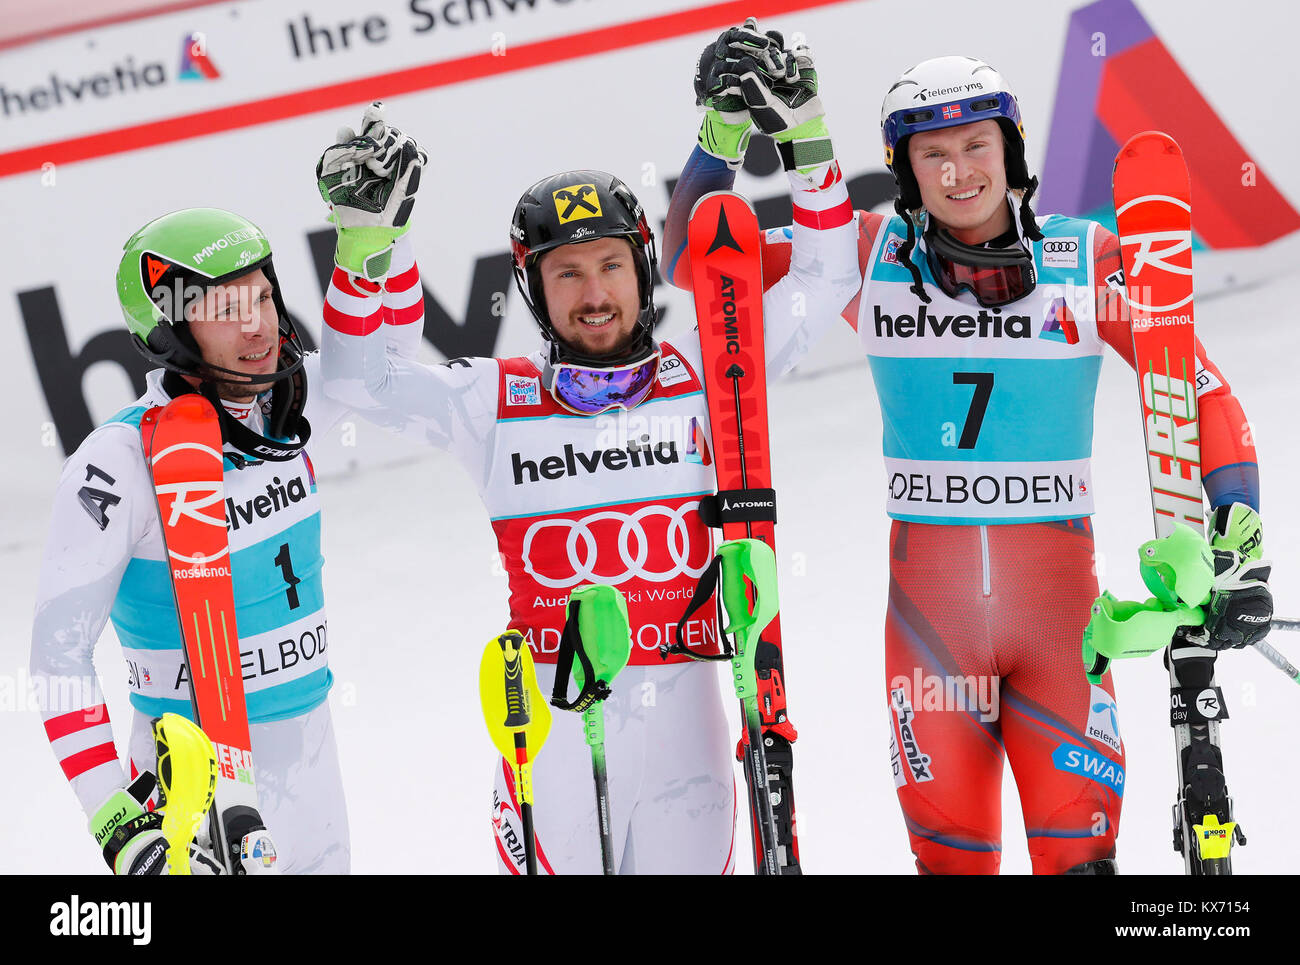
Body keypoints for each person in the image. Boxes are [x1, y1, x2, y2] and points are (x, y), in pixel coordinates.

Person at [666, 39, 1266, 873]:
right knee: (952, 864)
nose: (959, 172)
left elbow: (1199, 390)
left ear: (1011, 152)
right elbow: (699, 263)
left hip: (1060, 631)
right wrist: (724, 131)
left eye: (977, 145)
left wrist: (1244, 545)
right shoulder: (868, 256)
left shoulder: (1082, 260)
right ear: (905, 170)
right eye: (933, 154)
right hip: (929, 637)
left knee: (1082, 863)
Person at [317, 101, 859, 873]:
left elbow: (827, 273)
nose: (593, 292)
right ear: (532, 288)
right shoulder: (491, 402)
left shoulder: (712, 371)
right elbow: (356, 378)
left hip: (690, 713)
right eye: (565, 272)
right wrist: (367, 245)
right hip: (555, 716)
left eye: (610, 264)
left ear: (642, 269)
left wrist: (805, 130)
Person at [31, 129, 426, 874]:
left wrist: (377, 243)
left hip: (312, 763)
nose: (255, 324)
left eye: (263, 295)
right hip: (190, 786)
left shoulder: (290, 412)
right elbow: (56, 656)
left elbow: (390, 364)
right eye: (222, 307)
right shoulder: (116, 464)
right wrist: (116, 817)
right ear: (171, 332)